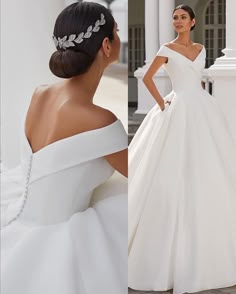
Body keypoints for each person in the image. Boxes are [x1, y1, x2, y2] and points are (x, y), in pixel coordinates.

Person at [1, 2, 128, 294]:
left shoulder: (40, 95)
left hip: (22, 214)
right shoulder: (100, 120)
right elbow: (143, 173)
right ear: (106, 46)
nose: (120, 39)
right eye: (117, 32)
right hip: (60, 239)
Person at [128, 4, 236, 294]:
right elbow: (149, 77)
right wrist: (163, 103)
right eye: (174, 17)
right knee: (171, 168)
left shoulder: (201, 49)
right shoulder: (167, 47)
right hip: (177, 109)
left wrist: (200, 99)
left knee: (209, 167)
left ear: (193, 22)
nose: (177, 21)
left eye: (182, 17)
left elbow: (196, 79)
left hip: (201, 108)